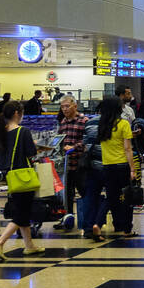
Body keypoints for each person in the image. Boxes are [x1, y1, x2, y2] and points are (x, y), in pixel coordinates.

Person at [0, 100, 45, 258]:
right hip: (24, 176)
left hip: (11, 176)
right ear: (16, 113)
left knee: (22, 209)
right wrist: (36, 146)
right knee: (22, 213)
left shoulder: (0, 133)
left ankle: (29, 245)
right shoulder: (23, 131)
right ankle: (0, 242)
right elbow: (31, 153)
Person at [79, 96, 138, 243]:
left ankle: (97, 225)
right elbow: (127, 148)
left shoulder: (102, 126)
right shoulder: (124, 124)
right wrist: (133, 169)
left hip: (107, 166)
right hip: (122, 165)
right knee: (127, 197)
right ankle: (126, 229)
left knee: (110, 198)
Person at [56, 96, 88, 228]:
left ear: (75, 106)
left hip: (80, 164)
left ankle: (88, 220)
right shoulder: (63, 122)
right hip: (66, 166)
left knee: (85, 192)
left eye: (67, 106)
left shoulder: (84, 120)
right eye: (62, 107)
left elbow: (87, 140)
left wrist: (74, 147)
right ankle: (67, 220)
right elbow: (60, 140)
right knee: (66, 196)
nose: (64, 109)